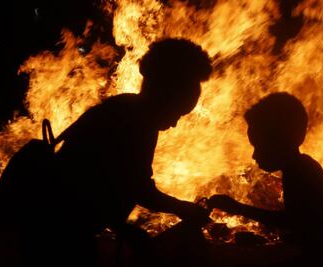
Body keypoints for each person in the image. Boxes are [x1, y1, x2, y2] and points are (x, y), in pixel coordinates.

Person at [24, 38, 213, 266]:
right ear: (164, 93)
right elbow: (136, 188)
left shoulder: (125, 109)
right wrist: (182, 208)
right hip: (59, 232)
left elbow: (105, 182)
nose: (174, 123)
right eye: (177, 112)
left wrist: (124, 229)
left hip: (60, 226)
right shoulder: (134, 121)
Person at [207, 92, 323, 266]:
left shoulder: (300, 172)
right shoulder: (301, 167)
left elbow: (292, 221)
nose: (254, 155)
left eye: (259, 146)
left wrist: (236, 208)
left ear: (279, 142)